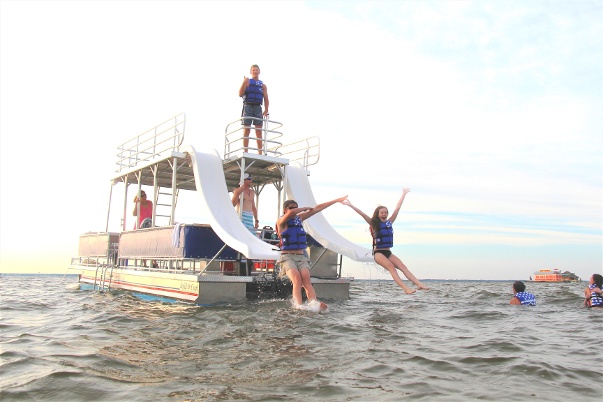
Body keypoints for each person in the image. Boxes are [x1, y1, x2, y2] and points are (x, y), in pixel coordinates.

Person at [342, 188, 429, 294]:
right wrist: (351, 205)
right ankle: (406, 289)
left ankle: (419, 284)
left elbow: (397, 208)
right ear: (378, 214)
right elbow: (362, 214)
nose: (384, 214)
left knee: (403, 267)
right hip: (378, 253)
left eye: (386, 212)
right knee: (392, 268)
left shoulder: (389, 222)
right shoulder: (373, 223)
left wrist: (403, 194)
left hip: (388, 252)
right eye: (382, 212)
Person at [276, 196, 347, 307]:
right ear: (285, 210)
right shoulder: (281, 222)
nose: (294, 209)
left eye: (296, 207)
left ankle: (314, 305)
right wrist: (303, 208)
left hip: (301, 257)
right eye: (291, 208)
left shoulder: (299, 219)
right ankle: (298, 306)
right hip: (287, 257)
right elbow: (291, 213)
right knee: (297, 280)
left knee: (306, 281)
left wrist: (335, 200)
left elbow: (317, 209)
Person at [239, 64, 269, 155]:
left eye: (256, 70)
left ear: (259, 72)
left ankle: (260, 152)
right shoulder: (247, 82)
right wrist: (244, 83)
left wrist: (266, 109)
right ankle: (245, 151)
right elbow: (240, 94)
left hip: (257, 107)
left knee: (259, 131)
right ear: (251, 72)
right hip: (248, 105)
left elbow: (266, 98)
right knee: (246, 129)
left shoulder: (262, 85)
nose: (255, 71)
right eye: (253, 70)